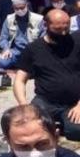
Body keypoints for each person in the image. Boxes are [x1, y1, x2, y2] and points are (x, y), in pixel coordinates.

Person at [13, 9, 80, 141]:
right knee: (26, 128)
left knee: (76, 131)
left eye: (66, 27)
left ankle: (59, 126)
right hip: (45, 101)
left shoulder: (77, 41)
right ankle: (52, 125)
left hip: (74, 102)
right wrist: (24, 105)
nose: (64, 33)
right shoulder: (33, 49)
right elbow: (20, 80)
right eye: (58, 29)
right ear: (46, 25)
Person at [0, 0, 43, 82]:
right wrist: (6, 49)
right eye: (16, 8)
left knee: (40, 66)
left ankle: (18, 70)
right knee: (2, 63)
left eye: (22, 7)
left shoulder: (38, 19)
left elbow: (43, 39)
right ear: (13, 8)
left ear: (27, 5)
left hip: (32, 51)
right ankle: (21, 69)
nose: (20, 10)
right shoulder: (9, 19)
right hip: (16, 51)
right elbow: (3, 38)